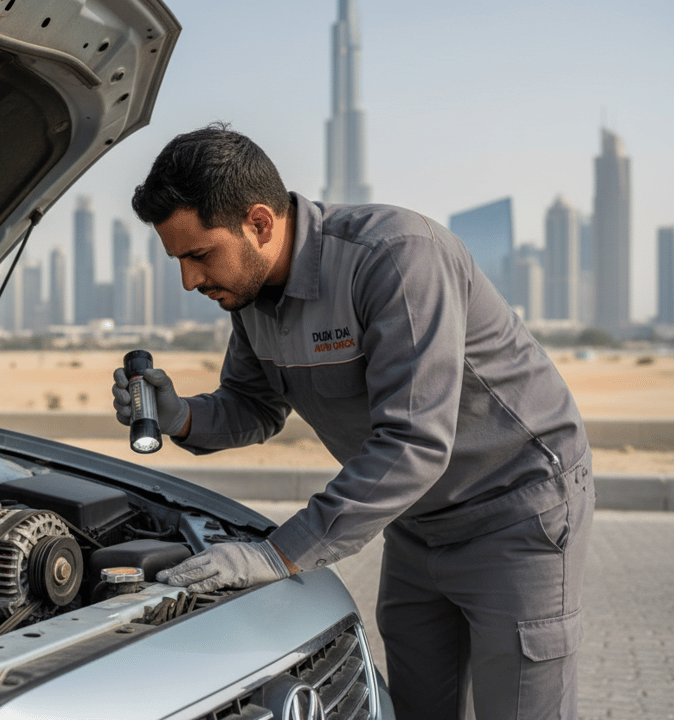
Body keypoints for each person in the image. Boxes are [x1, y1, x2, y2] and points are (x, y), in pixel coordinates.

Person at [111, 124, 594, 720]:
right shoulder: (250, 297)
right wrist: (181, 415)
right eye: (178, 260)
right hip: (415, 521)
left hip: (516, 513)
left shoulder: (396, 258)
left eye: (199, 255)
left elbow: (414, 442)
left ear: (258, 223)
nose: (189, 280)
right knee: (418, 708)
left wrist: (278, 555)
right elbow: (253, 407)